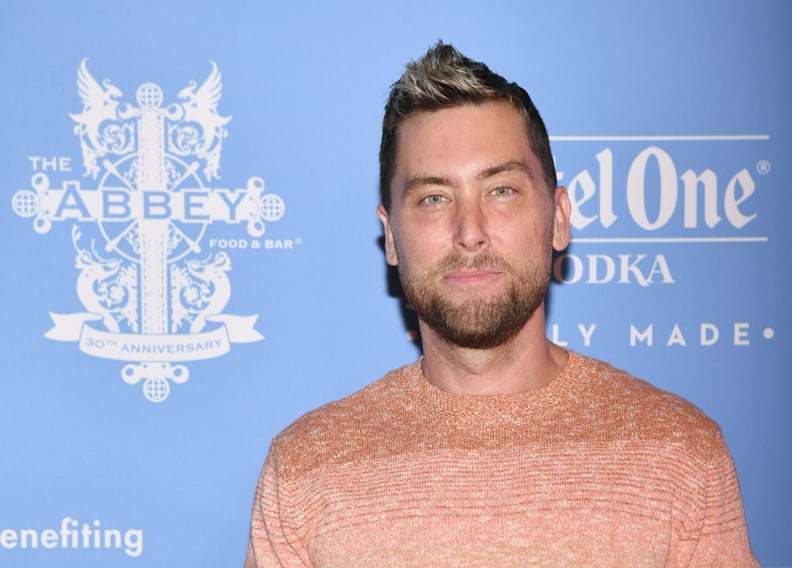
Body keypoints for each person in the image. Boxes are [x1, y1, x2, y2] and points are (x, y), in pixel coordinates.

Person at [245, 41, 758, 567]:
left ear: (559, 218)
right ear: (392, 236)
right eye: (433, 198)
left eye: (502, 191)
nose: (471, 233)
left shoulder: (678, 452)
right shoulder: (307, 468)